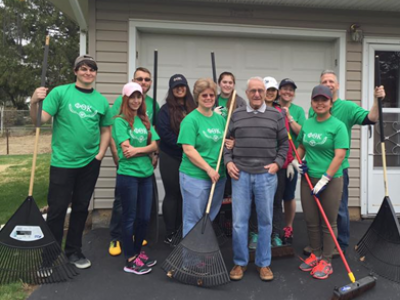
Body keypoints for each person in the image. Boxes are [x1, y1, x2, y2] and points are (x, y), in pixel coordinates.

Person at [30, 55, 112, 269]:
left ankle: (74, 252)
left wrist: (100, 155)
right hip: (63, 163)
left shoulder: (101, 100)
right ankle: (48, 259)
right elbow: (39, 120)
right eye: (83, 68)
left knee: (81, 208)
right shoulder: (61, 93)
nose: (88, 73)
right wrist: (34, 101)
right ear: (75, 71)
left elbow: (106, 130)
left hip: (89, 163)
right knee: (57, 211)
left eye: (92, 69)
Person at [305, 70, 385, 255]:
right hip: (315, 167)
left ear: (338, 85)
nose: (328, 83)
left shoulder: (347, 107)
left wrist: (376, 99)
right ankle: (320, 245)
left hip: (338, 169)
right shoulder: (314, 108)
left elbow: (371, 118)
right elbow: (311, 135)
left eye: (331, 81)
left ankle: (339, 245)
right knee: (318, 209)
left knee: (339, 209)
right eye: (324, 80)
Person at [225, 77, 288, 282]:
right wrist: (228, 162)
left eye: (260, 90)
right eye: (253, 91)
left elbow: (284, 144)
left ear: (266, 92)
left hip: (266, 176)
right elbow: (227, 143)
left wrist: (278, 164)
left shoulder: (275, 116)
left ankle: (264, 264)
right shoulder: (236, 115)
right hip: (240, 174)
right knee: (239, 223)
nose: (257, 94)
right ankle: (240, 262)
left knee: (265, 222)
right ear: (247, 92)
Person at [297, 85, 349, 279]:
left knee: (328, 221)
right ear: (311, 102)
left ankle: (327, 259)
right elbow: (301, 145)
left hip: (331, 180)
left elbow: (339, 156)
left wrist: (325, 179)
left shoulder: (338, 126)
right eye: (316, 100)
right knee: (311, 219)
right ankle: (316, 253)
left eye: (324, 100)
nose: (320, 103)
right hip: (308, 179)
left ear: (330, 103)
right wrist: (298, 162)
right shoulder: (308, 123)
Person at [108, 67, 160, 256]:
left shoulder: (149, 111)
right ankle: (117, 238)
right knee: (123, 205)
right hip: (127, 168)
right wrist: (118, 154)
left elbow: (154, 141)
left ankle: (135, 244)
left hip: (145, 168)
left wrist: (147, 152)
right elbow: (122, 144)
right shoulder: (120, 113)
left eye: (147, 79)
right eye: (140, 79)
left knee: (141, 211)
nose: (143, 82)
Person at [177, 78, 227, 238]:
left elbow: (221, 143)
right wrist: (208, 169)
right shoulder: (190, 120)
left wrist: (230, 143)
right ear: (197, 97)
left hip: (217, 177)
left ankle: (201, 254)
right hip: (195, 177)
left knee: (208, 219)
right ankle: (190, 261)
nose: (208, 98)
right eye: (204, 95)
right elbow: (188, 149)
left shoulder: (220, 119)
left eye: (211, 95)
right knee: (194, 220)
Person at [156, 74, 196, 244]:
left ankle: (183, 229)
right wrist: (185, 145)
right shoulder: (165, 110)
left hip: (190, 158)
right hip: (171, 156)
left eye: (182, 86)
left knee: (186, 195)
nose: (180, 89)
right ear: (171, 90)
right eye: (176, 87)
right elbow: (164, 134)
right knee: (173, 194)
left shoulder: (194, 108)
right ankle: (170, 232)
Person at [263, 76, 296, 247]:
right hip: (259, 164)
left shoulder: (280, 112)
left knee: (276, 202)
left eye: (272, 91)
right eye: (266, 90)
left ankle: (275, 234)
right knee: (259, 202)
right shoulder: (252, 110)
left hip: (278, 165)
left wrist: (288, 161)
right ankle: (259, 234)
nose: (269, 93)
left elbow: (286, 140)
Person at [277, 78, 306, 245]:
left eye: (291, 90)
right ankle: (272, 229)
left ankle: (288, 228)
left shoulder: (298, 110)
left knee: (288, 196)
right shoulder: (273, 107)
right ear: (279, 91)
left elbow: (302, 134)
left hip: (292, 161)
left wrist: (289, 117)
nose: (288, 92)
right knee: (273, 197)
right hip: (275, 160)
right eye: (285, 89)